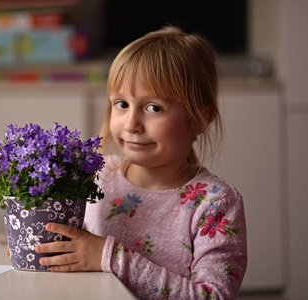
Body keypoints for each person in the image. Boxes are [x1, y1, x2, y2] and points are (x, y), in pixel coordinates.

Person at [33, 25, 247, 299]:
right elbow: (75, 254)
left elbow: (214, 296)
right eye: (121, 104)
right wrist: (41, 248)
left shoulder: (216, 203)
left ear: (200, 119)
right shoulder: (96, 174)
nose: (131, 124)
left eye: (153, 108)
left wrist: (110, 257)